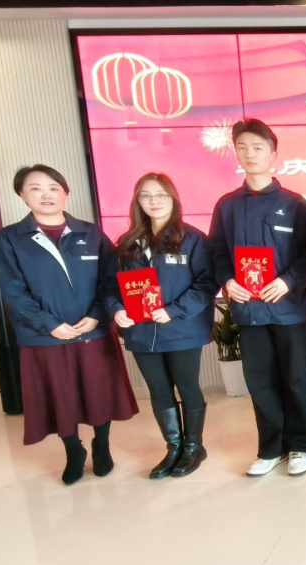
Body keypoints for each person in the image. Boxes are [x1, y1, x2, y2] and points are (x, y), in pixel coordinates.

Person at [0, 164, 138, 485]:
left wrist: (97, 314)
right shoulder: (10, 239)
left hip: (93, 330)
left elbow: (110, 280)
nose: (46, 195)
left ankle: (101, 445)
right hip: (44, 336)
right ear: (22, 195)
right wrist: (49, 324)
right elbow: (13, 290)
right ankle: (74, 450)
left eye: (53, 188)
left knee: (98, 389)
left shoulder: (91, 233)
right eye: (35, 189)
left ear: (65, 193)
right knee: (60, 395)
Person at [207, 118, 306, 477]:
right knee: (260, 381)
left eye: (257, 147)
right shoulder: (226, 205)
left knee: (295, 379)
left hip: (289, 309)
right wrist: (227, 280)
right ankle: (271, 448)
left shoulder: (295, 204)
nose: (249, 154)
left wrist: (288, 281)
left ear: (273, 154)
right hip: (248, 310)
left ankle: (300, 445)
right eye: (242, 147)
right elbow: (216, 252)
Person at [109, 173, 217, 479]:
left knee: (187, 386)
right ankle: (173, 447)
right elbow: (110, 286)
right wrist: (117, 309)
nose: (153, 201)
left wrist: (174, 311)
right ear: (137, 201)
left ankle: (194, 447)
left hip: (182, 330)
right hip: (142, 333)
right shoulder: (127, 243)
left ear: (173, 199)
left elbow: (207, 283)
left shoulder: (193, 239)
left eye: (161, 195)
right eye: (145, 195)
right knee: (158, 390)